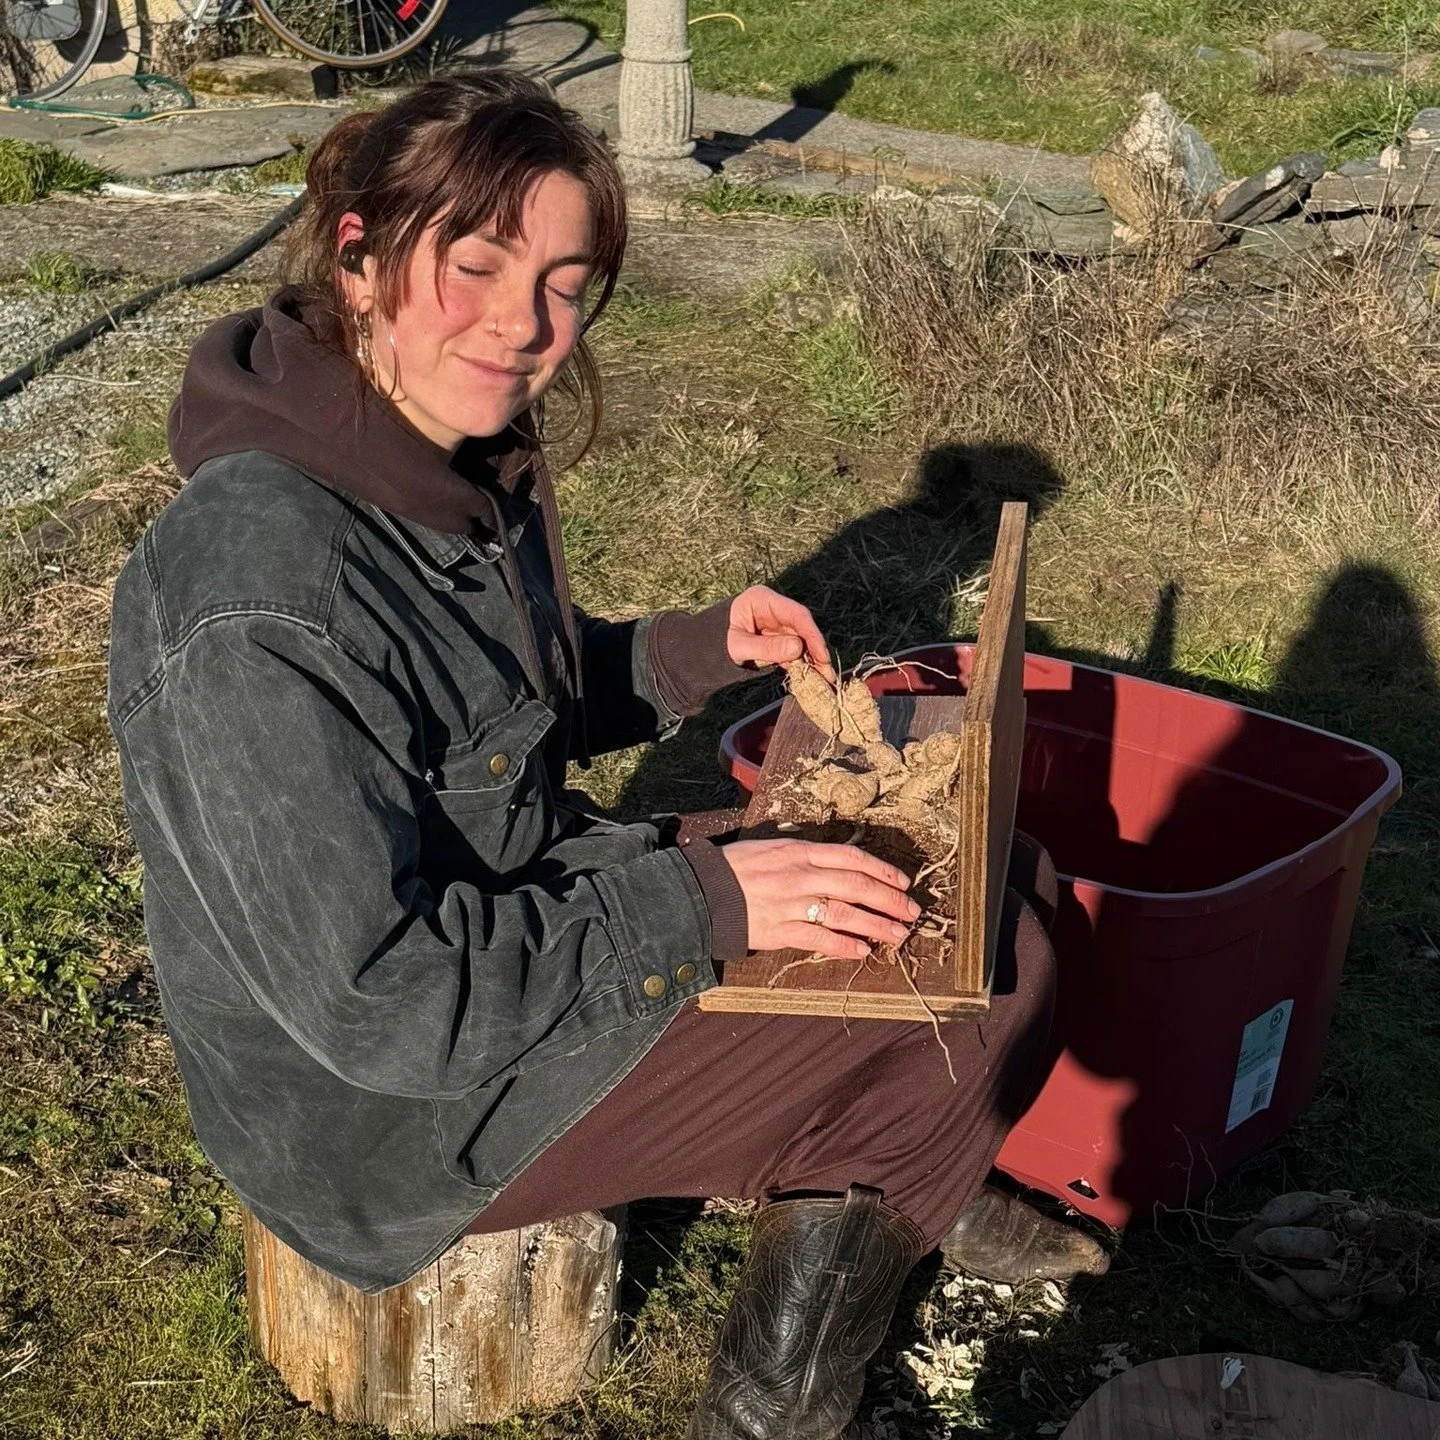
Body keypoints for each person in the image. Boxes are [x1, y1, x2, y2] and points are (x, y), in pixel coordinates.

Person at [106, 68, 1105, 1440]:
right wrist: (710, 903)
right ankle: (781, 1382)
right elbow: (382, 1006)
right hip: (386, 1113)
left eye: (566, 286)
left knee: (998, 877)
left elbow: (488, 714)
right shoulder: (259, 593)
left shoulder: (431, 450)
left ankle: (902, 1166)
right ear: (357, 255)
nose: (524, 325)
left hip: (512, 928)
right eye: (477, 265)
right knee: (960, 984)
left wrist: (691, 651)